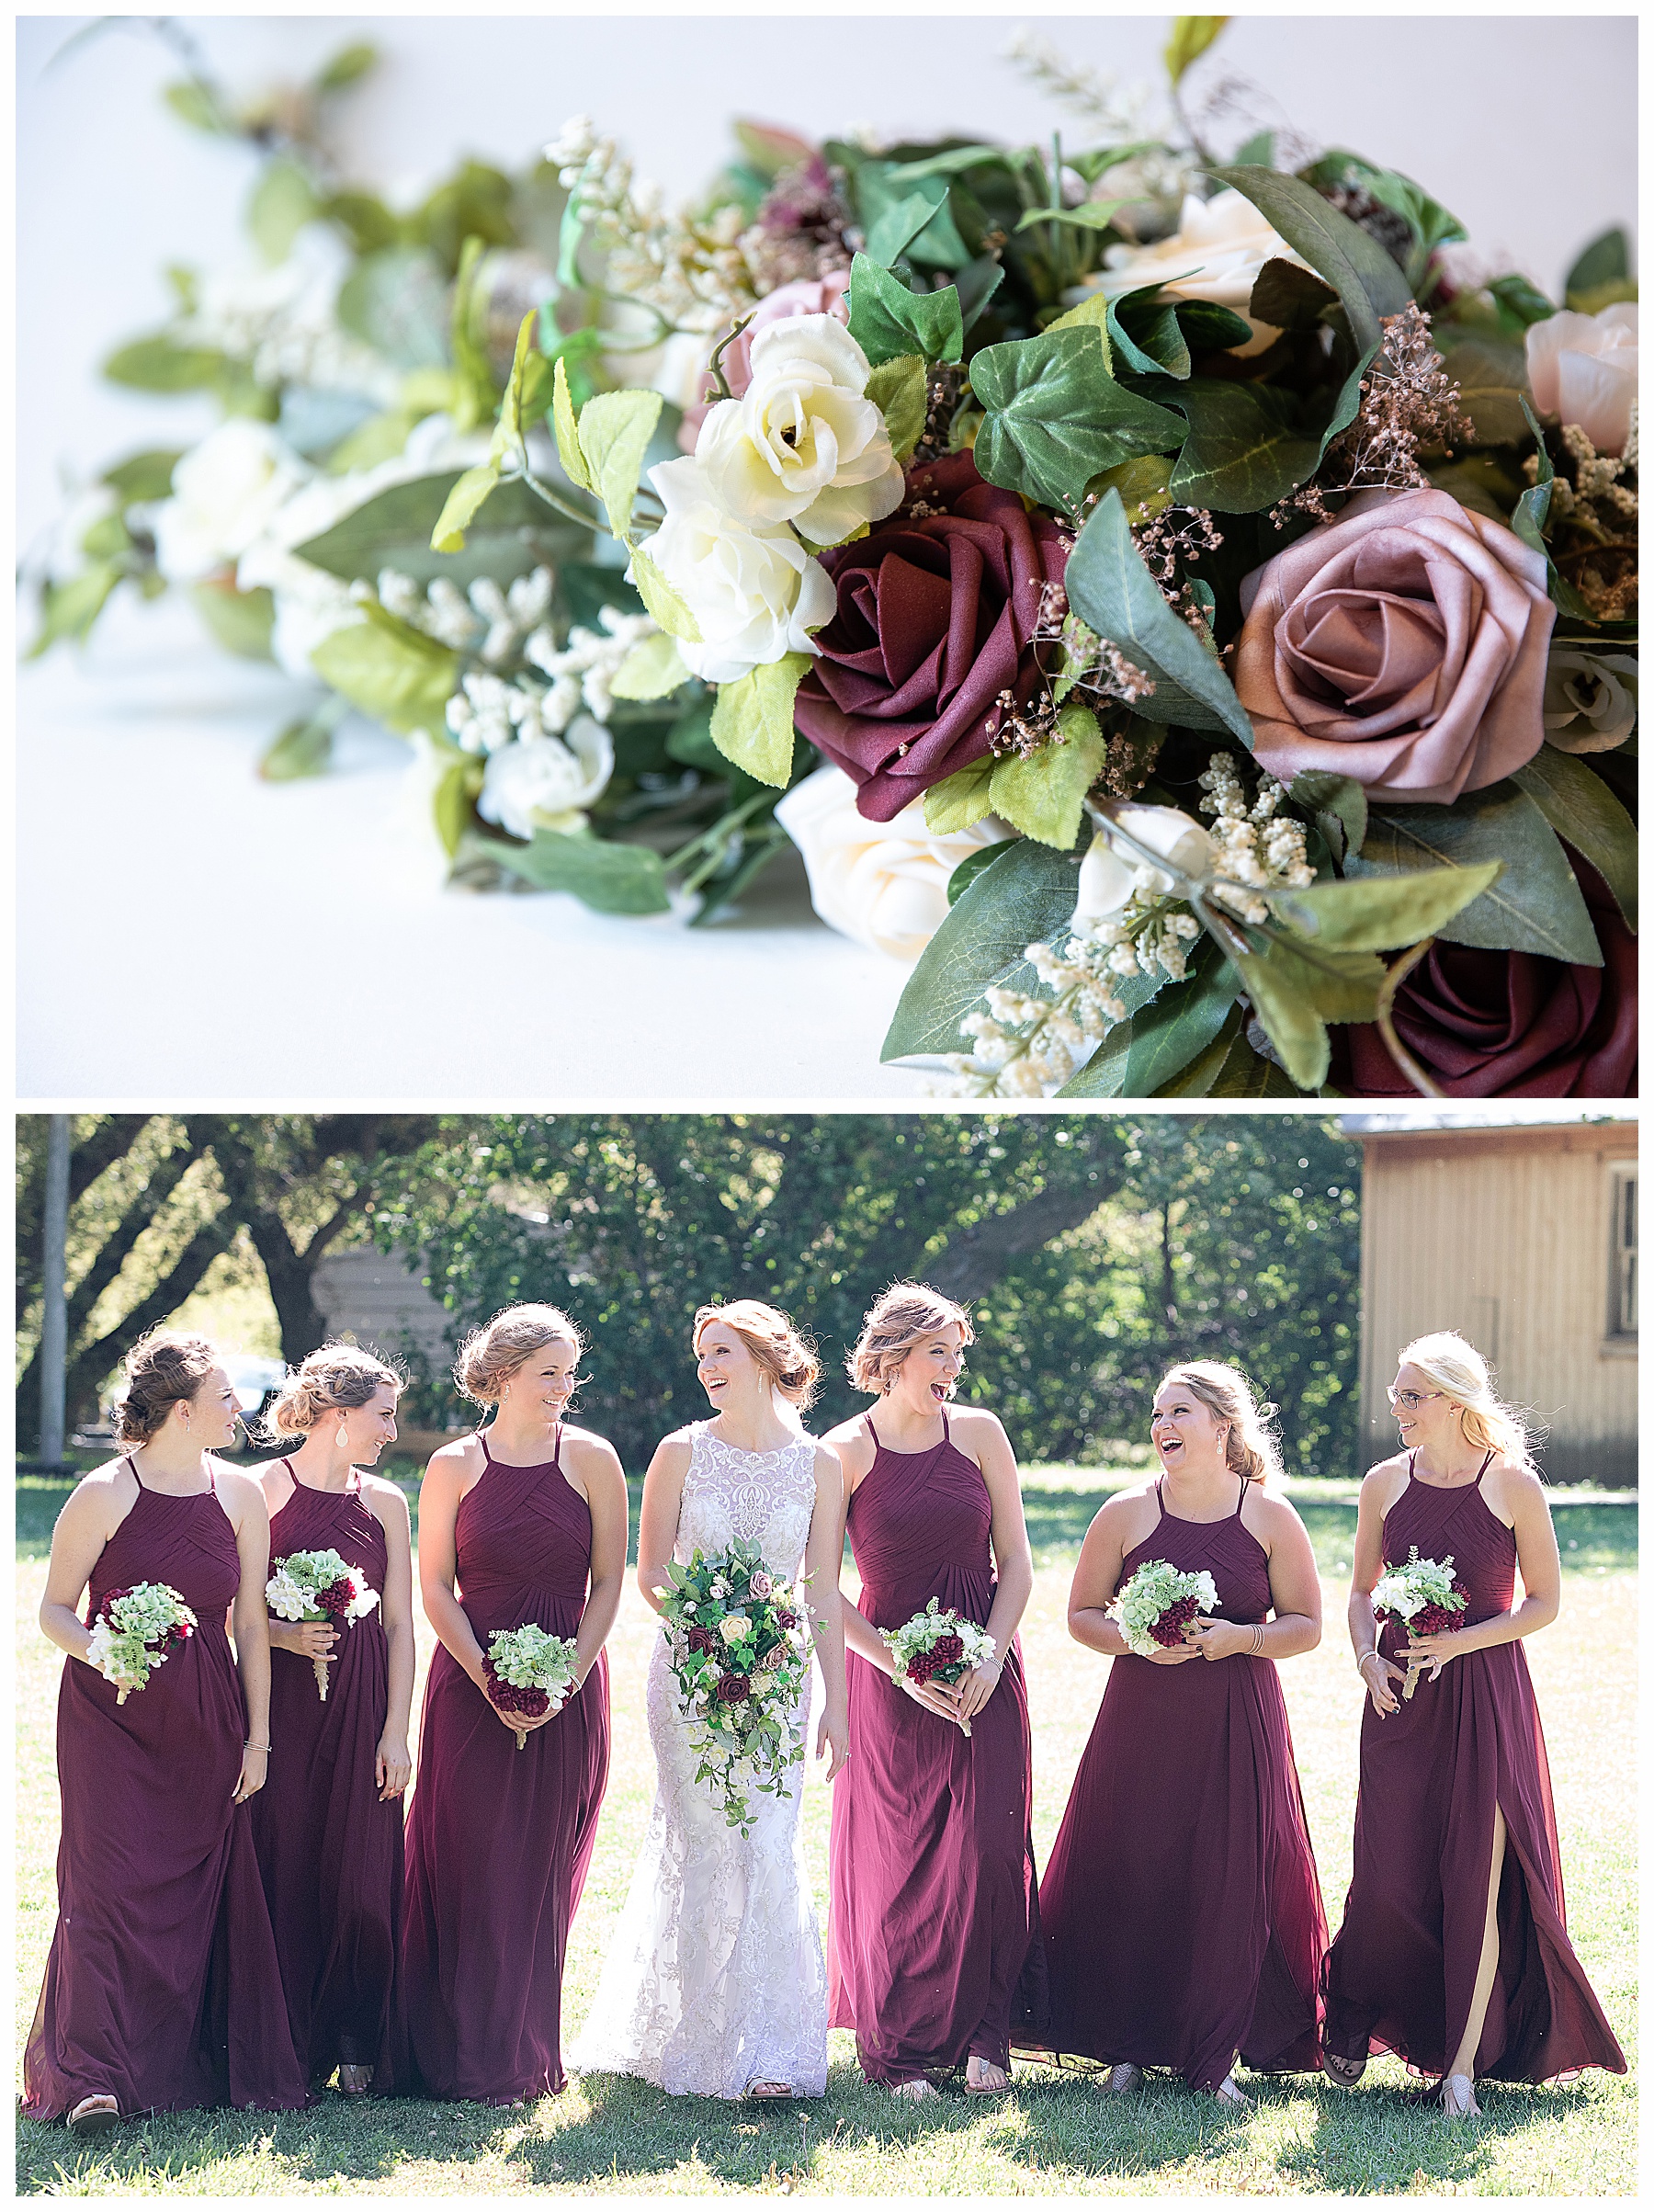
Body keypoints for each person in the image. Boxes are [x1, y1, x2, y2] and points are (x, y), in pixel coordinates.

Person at [1322, 1332, 1626, 2115]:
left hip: (1486, 1694)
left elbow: (1545, 1603)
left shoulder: (1514, 1485)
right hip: (1400, 1696)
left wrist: (1462, 1639)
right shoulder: (1383, 1483)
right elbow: (1361, 1591)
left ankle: (1459, 2065)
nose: (1396, 1407)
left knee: (1474, 1883)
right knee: (1387, 1875)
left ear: (1456, 1401)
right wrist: (1366, 1657)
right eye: (1395, 1394)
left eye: (1411, 1395)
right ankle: (1355, 2016)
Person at [22, 1330, 307, 2130]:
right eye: (224, 1396)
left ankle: (180, 2057)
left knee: (191, 1884)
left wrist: (258, 1738)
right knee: (105, 1886)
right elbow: (53, 1610)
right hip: (109, 1719)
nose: (238, 1407)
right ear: (183, 1412)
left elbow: (250, 1622)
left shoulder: (241, 1495)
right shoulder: (105, 1492)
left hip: (207, 1716)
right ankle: (89, 2076)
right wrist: (102, 1648)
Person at [572, 1300, 849, 2100]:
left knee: (767, 1845)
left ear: (766, 1356)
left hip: (782, 1683)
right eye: (702, 1357)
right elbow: (651, 1572)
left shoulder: (819, 1464)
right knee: (702, 1847)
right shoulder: (680, 1451)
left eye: (721, 1351)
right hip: (692, 1675)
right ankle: (694, 2039)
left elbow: (822, 1587)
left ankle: (765, 2046)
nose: (707, 1368)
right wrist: (715, 1633)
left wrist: (832, 1697)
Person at [1032, 1362, 1326, 2105]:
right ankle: (1129, 2042)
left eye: (1180, 1412)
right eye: (1158, 1414)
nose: (1163, 1425)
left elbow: (1307, 1625)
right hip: (1143, 1718)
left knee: (1229, 1872)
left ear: (1223, 1425)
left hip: (1237, 1714)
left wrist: (1240, 1638)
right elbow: (1081, 1615)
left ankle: (1216, 2046)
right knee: (1136, 1864)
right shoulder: (1126, 1511)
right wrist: (1138, 1640)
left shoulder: (1268, 1514)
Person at [399, 1304, 626, 2103]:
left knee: (538, 1869)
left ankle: (524, 2051)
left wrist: (564, 1677)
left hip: (571, 1688)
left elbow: (608, 1585)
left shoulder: (594, 1459)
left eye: (570, 1372)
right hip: (470, 1686)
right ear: (503, 1377)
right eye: (548, 1373)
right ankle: (451, 2051)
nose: (563, 1388)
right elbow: (434, 1585)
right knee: (469, 1860)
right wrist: (490, 1675)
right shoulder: (454, 1466)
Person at [823, 1284, 1043, 2099]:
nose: (952, 1367)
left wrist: (991, 1654)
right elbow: (820, 1588)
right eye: (938, 1352)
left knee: (990, 1848)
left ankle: (988, 2034)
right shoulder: (843, 1450)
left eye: (958, 1352)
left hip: (988, 1667)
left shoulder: (981, 1433)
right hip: (890, 1679)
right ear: (893, 1358)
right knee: (902, 1856)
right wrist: (899, 1670)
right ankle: (901, 2048)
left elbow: (1017, 1561)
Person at [246, 1344, 414, 2096]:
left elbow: (402, 1626)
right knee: (286, 1860)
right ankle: (287, 2038)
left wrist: (395, 1731)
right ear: (338, 1416)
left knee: (362, 1873)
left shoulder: (387, 1503)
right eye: (382, 1415)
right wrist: (283, 1633)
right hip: (279, 1707)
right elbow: (228, 1606)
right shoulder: (258, 1491)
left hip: (362, 1709)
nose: (391, 1430)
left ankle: (357, 2035)